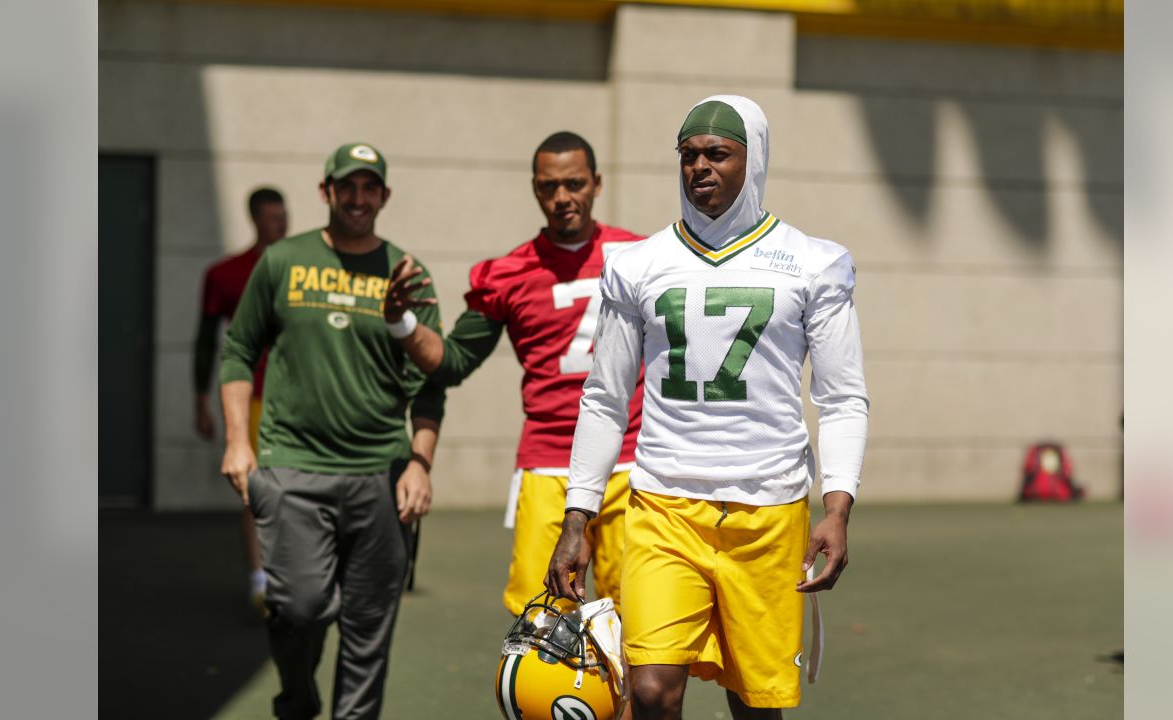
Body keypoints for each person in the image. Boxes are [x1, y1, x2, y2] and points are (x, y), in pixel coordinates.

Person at [544, 96, 870, 720]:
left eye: (718, 154)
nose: (700, 167)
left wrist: (838, 505)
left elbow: (841, 397)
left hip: (768, 511)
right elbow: (606, 398)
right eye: (689, 155)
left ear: (755, 159)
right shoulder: (637, 263)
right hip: (664, 505)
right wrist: (576, 518)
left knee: (753, 705)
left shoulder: (813, 262)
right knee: (649, 692)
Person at [218, 142, 445, 720]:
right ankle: (296, 696)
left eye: (371, 188)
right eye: (349, 186)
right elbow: (239, 350)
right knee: (299, 607)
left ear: (384, 196)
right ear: (326, 192)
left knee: (369, 629)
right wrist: (238, 440)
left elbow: (429, 381)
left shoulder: (406, 273)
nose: (359, 198)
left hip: (381, 473)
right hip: (292, 465)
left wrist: (420, 461)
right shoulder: (282, 261)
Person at [396, 131, 643, 617]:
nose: (562, 198)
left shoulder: (642, 258)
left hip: (631, 457)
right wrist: (400, 322)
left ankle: (626, 700)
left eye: (574, 184)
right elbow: (450, 363)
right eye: (549, 187)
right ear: (534, 188)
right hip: (550, 460)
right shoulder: (509, 273)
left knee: (636, 623)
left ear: (596, 183)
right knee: (541, 621)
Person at [193, 186, 287, 609]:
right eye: (271, 217)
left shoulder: (301, 269)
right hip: (252, 398)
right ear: (255, 219)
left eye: (282, 216)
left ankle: (294, 574)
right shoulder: (226, 274)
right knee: (256, 489)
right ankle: (259, 578)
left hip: (298, 399)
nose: (279, 223)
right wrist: (200, 400)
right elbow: (204, 340)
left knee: (300, 490)